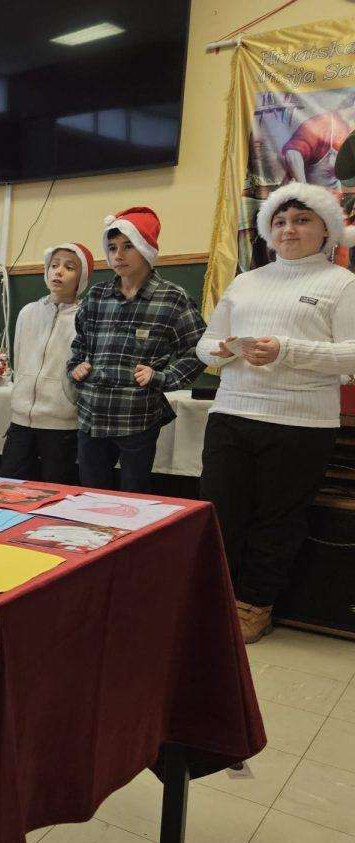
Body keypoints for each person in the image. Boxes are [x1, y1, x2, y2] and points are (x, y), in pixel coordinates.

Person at [198, 182, 355, 643]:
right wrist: (222, 350)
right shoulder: (246, 282)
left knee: (277, 520)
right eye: (280, 221)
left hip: (300, 423)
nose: (289, 229)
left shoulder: (342, 283)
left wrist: (286, 350)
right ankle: (216, 598)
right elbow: (205, 346)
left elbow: (352, 355)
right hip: (231, 415)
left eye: (302, 220)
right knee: (219, 513)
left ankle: (255, 604)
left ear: (326, 229)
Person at [68, 207, 206, 493]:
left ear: (145, 248)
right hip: (92, 415)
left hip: (137, 417)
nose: (118, 255)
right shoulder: (97, 296)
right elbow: (80, 343)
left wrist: (163, 377)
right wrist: (76, 366)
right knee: (91, 495)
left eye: (128, 246)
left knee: (134, 496)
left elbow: (198, 349)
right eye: (112, 248)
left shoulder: (172, 298)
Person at [0, 243, 95, 484]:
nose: (58, 271)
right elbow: (19, 358)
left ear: (81, 277)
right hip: (21, 420)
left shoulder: (86, 317)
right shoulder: (28, 312)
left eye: (69, 267)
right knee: (8, 486)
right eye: (54, 265)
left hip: (61, 424)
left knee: (55, 487)